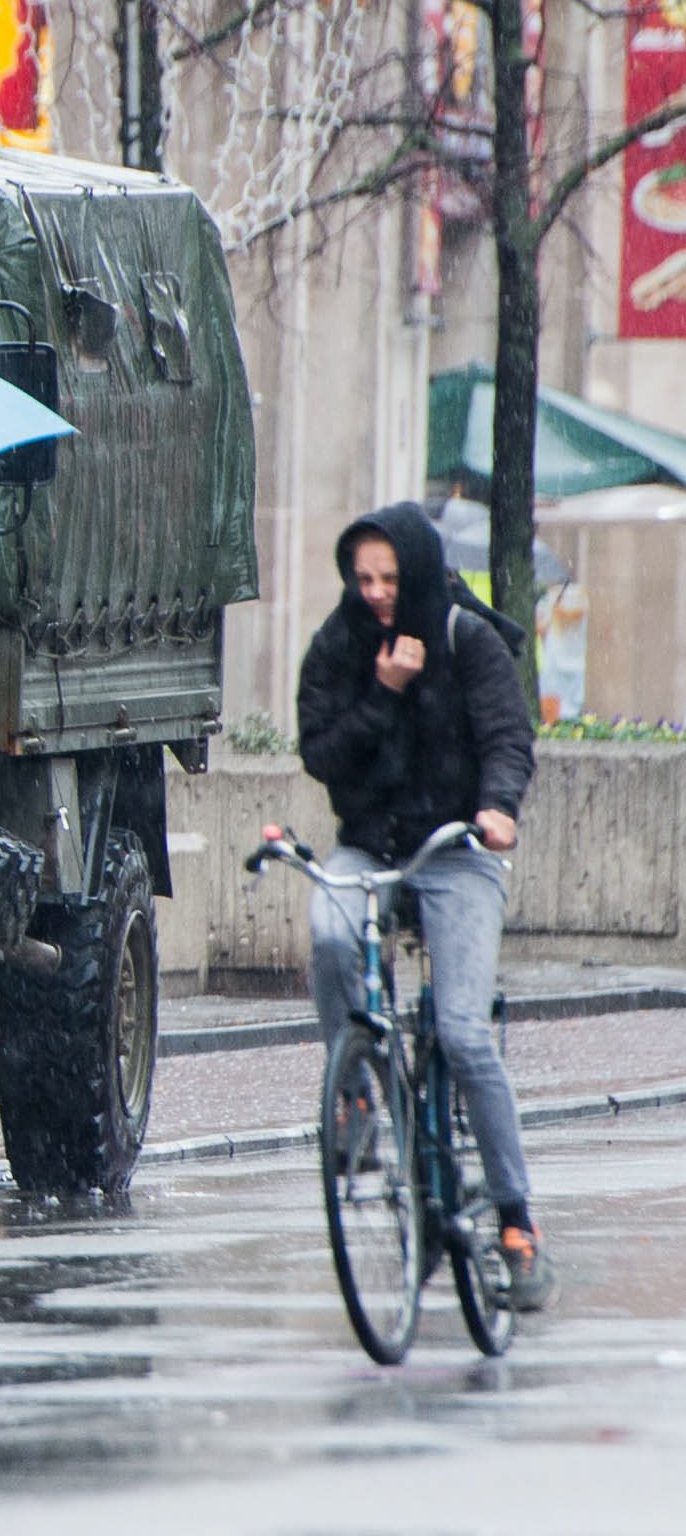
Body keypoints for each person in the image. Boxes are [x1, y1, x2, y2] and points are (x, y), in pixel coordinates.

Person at [297, 500, 551, 1311]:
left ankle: (516, 1225)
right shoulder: (339, 645)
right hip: (369, 845)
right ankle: (357, 1091)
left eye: (388, 578)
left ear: (416, 573)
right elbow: (321, 754)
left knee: (465, 1034)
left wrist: (497, 808)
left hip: (454, 852)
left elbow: (508, 735)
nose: (374, 593)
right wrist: (379, 692)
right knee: (329, 934)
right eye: (360, 578)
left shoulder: (462, 639)